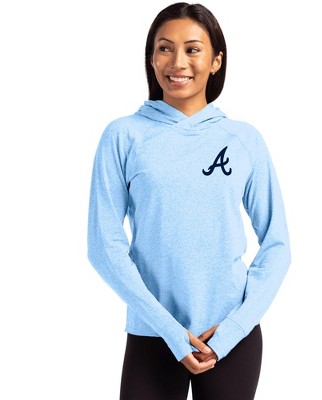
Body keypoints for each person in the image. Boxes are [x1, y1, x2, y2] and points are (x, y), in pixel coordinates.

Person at [87, 2, 291, 399]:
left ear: (216, 61)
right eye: (165, 48)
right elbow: (103, 245)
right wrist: (170, 332)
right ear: (151, 58)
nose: (177, 61)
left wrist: (234, 328)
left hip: (230, 338)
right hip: (153, 334)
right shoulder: (124, 136)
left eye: (193, 49)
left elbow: (278, 244)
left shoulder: (243, 139)